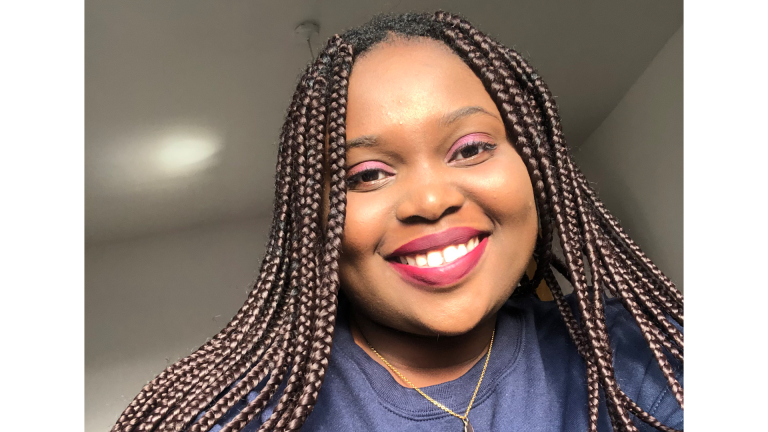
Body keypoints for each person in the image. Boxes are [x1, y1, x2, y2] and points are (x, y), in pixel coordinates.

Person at [111, 11, 683, 432]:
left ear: (536, 163)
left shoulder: (645, 356)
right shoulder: (235, 416)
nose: (431, 200)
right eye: (366, 175)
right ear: (315, 221)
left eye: (471, 148)